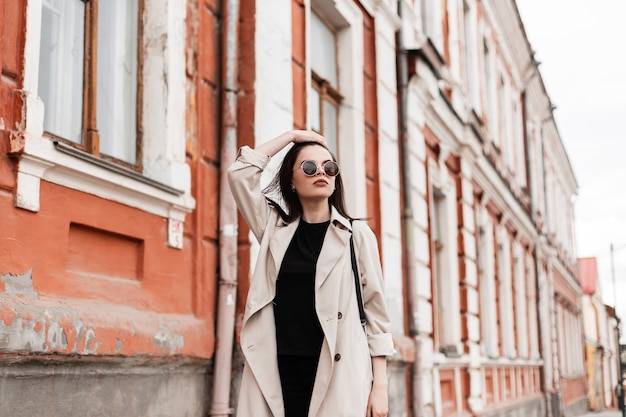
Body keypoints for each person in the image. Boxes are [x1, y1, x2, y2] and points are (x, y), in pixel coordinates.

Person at [227, 130, 394, 417]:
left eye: (330, 167)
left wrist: (380, 386)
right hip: (277, 371)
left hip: (337, 374)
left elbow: (376, 316)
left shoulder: (357, 236)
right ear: (291, 181)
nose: (322, 173)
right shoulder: (273, 229)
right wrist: (293, 136)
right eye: (309, 167)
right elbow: (240, 173)